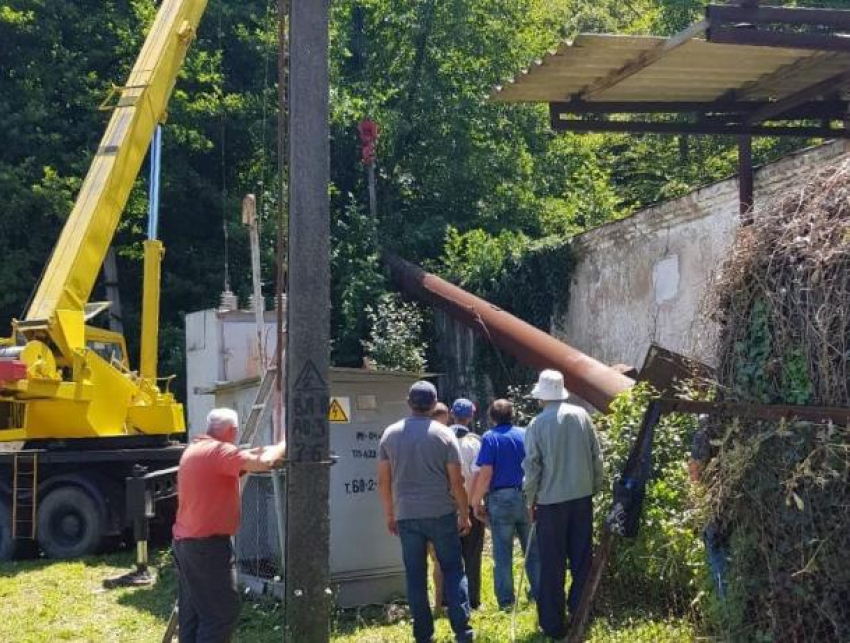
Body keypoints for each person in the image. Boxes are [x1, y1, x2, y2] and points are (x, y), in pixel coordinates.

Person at [172, 407, 287, 643]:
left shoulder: (197, 449)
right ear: (233, 430)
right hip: (207, 547)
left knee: (194, 613)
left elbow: (247, 457)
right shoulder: (220, 453)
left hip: (187, 544)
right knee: (221, 614)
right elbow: (265, 461)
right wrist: (286, 441)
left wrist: (259, 451)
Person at [378, 381, 474, 643]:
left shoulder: (390, 434)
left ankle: (423, 635)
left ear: (409, 403)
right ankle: (463, 632)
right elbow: (457, 482)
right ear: (434, 404)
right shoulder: (444, 435)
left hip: (407, 514)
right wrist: (464, 514)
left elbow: (384, 481)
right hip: (441, 513)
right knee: (453, 569)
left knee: (415, 575)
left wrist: (390, 514)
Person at [523, 370, 604, 642]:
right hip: (582, 498)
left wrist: (530, 499)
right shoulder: (582, 416)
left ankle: (553, 624)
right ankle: (581, 614)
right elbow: (596, 455)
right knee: (582, 560)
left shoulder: (537, 424)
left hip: (550, 502)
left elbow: (532, 467)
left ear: (542, 396)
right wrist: (594, 487)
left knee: (552, 563)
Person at [471, 398, 540, 610]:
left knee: (502, 553)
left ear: (491, 417)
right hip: (527, 496)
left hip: (500, 499)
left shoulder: (490, 438)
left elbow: (486, 472)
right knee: (533, 550)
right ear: (513, 415)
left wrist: (475, 501)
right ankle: (538, 594)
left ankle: (507, 601)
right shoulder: (526, 433)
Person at [447, 398, 484, 610]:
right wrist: (477, 503)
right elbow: (479, 475)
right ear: (471, 416)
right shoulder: (475, 442)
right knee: (472, 555)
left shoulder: (441, 438)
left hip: (446, 506)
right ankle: (473, 600)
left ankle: (448, 599)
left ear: (452, 413)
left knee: (449, 555)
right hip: (470, 504)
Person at [689, 415, 728, 598]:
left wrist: (697, 499)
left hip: (713, 501)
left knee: (717, 552)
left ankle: (726, 604)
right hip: (734, 498)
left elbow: (696, 468)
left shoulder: (705, 427)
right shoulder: (740, 420)